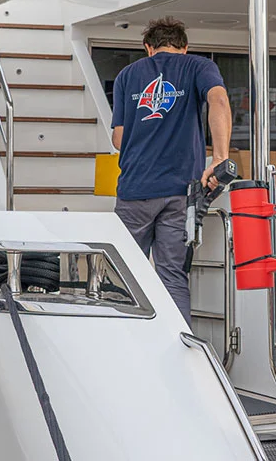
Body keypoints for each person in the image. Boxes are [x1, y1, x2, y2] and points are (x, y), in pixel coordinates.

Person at [110, 17, 232, 322]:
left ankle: (127, 348)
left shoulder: (127, 75)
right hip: (180, 193)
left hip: (135, 191)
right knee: (172, 276)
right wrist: (219, 158)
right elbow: (219, 100)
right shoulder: (198, 66)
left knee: (124, 276)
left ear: (148, 48)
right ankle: (179, 351)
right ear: (185, 47)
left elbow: (118, 138)